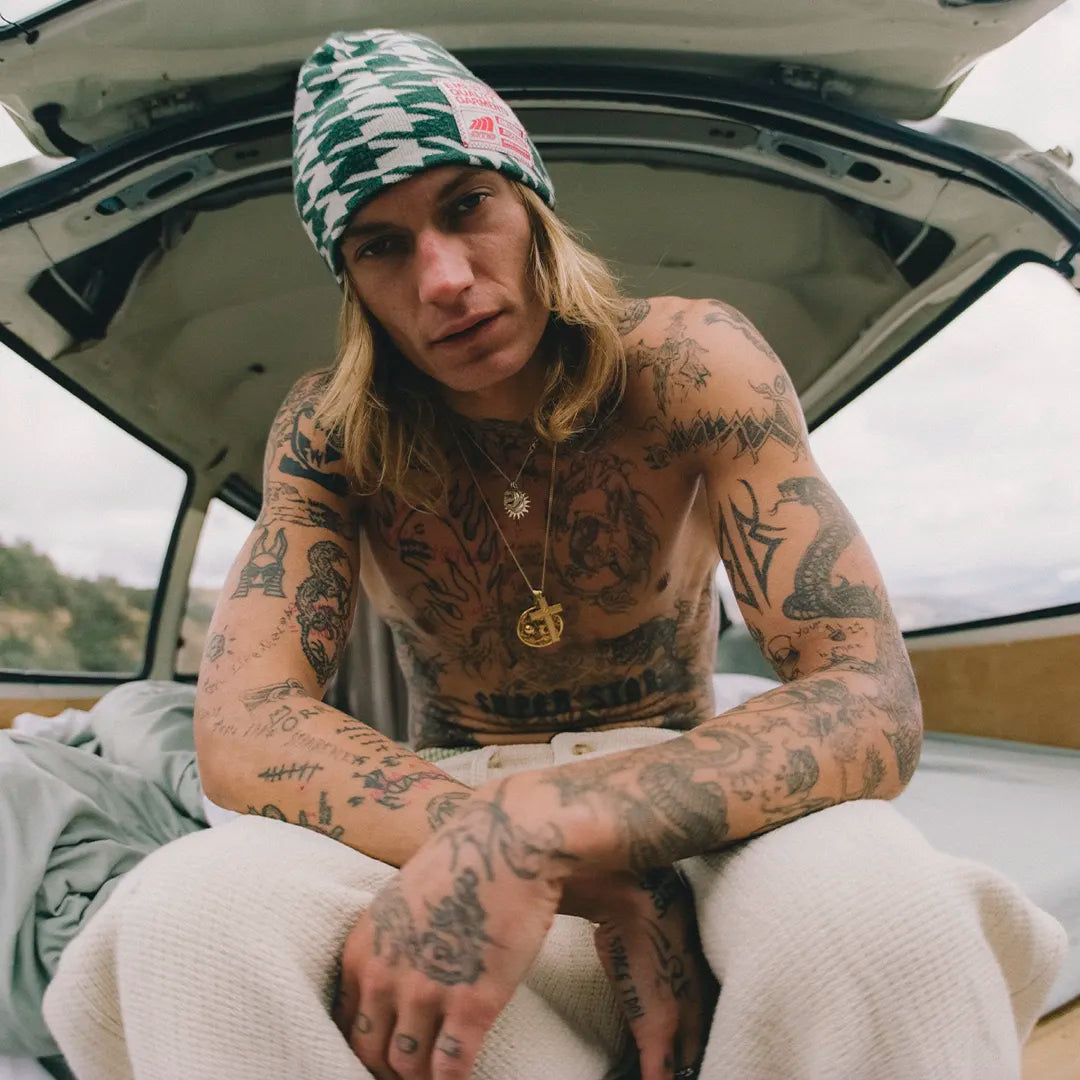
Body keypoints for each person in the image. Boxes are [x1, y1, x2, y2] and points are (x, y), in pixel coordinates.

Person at [41, 29, 1065, 1080]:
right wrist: (499, 838)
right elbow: (244, 721)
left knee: (884, 924)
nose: (443, 278)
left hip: (689, 777)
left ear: (532, 204)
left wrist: (558, 828)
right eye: (380, 245)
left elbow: (865, 695)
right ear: (352, 283)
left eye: (466, 206)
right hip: (436, 793)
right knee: (187, 928)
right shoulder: (329, 434)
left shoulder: (692, 363)